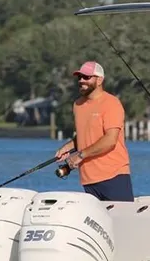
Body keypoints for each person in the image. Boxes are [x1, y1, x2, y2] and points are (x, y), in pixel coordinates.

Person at [55, 61, 134, 201]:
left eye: (86, 77)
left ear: (99, 80)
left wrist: (80, 155)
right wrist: (68, 147)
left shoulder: (111, 103)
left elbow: (110, 140)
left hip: (113, 175)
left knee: (121, 221)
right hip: (88, 179)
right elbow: (86, 135)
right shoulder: (78, 104)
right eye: (79, 77)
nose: (81, 81)